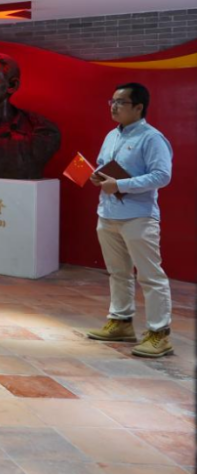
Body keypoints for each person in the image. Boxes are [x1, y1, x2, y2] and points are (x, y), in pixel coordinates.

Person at [86, 83, 174, 358]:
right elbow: (104, 164)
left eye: (121, 102)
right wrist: (97, 176)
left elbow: (162, 175)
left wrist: (120, 184)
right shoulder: (112, 135)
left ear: (138, 107)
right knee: (118, 272)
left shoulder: (152, 138)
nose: (114, 106)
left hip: (138, 216)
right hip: (108, 213)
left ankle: (159, 334)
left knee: (150, 276)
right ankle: (121, 322)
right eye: (112, 101)